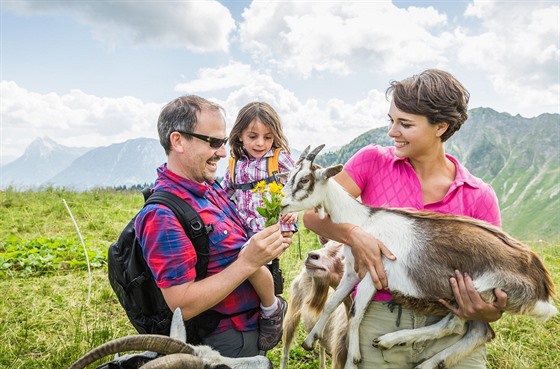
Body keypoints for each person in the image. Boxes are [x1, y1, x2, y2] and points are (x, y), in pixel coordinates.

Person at [303, 69, 508, 368]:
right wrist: (353, 235)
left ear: (441, 126)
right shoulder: (371, 162)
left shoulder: (478, 195)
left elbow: (495, 283)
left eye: (405, 124)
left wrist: (489, 312)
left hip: (450, 330)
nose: (392, 132)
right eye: (392, 121)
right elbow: (311, 215)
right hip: (379, 319)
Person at [134, 95, 292, 357]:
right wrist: (248, 262)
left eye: (223, 142)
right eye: (214, 142)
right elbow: (181, 304)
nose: (222, 151)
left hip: (248, 329)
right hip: (223, 342)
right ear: (178, 141)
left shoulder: (209, 188)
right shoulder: (162, 215)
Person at [221, 102, 298, 350]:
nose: (260, 143)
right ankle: (247, 309)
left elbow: (298, 188)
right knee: (238, 260)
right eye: (252, 137)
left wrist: (293, 211)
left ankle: (271, 308)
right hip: (242, 227)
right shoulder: (234, 163)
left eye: (267, 137)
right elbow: (224, 193)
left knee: (251, 261)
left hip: (273, 227)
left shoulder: (279, 159)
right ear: (239, 136)